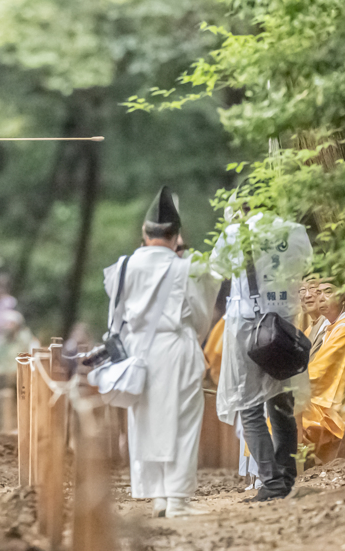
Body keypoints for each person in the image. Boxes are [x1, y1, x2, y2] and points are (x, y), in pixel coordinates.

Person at [103, 186, 219, 518]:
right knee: (182, 421)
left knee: (145, 421)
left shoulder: (123, 266)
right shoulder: (186, 268)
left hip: (137, 350)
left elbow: (115, 315)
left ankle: (157, 496)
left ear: (145, 232)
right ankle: (178, 500)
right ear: (175, 235)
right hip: (175, 346)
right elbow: (200, 316)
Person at [211, 208, 312, 502]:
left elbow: (219, 269)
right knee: (281, 402)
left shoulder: (234, 233)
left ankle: (271, 481)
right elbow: (304, 266)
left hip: (247, 328)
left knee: (249, 405)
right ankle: (287, 476)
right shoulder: (294, 230)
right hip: (283, 326)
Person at [300, 280, 345, 464]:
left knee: (288, 414)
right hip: (326, 398)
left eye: (327, 291)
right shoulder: (330, 326)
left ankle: (294, 470)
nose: (320, 297)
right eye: (318, 292)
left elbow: (319, 371)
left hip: (340, 405)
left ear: (344, 296)